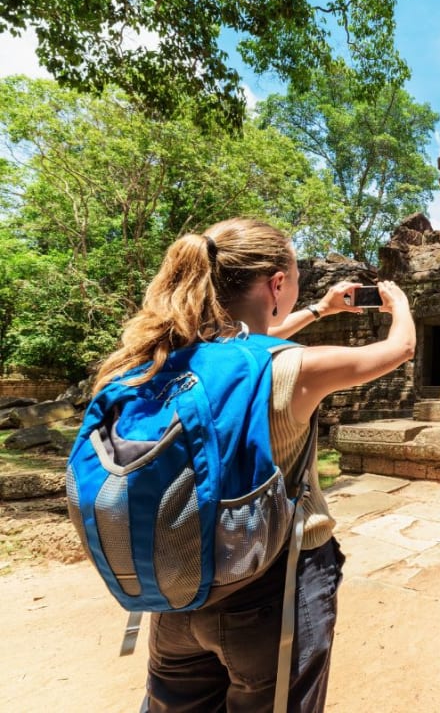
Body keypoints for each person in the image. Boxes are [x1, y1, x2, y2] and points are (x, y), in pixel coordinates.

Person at [92, 217, 416, 712]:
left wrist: (316, 309)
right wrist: (400, 306)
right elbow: (399, 349)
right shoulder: (290, 368)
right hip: (271, 589)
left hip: (177, 589)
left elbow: (244, 344)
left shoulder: (152, 359)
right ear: (277, 284)